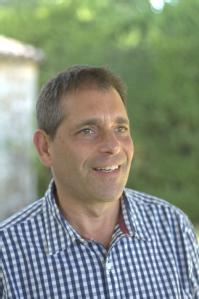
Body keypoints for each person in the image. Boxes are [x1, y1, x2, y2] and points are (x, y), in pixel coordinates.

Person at [0, 65, 198, 299]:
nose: (113, 145)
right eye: (88, 131)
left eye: (121, 128)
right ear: (45, 147)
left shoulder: (173, 228)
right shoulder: (6, 256)